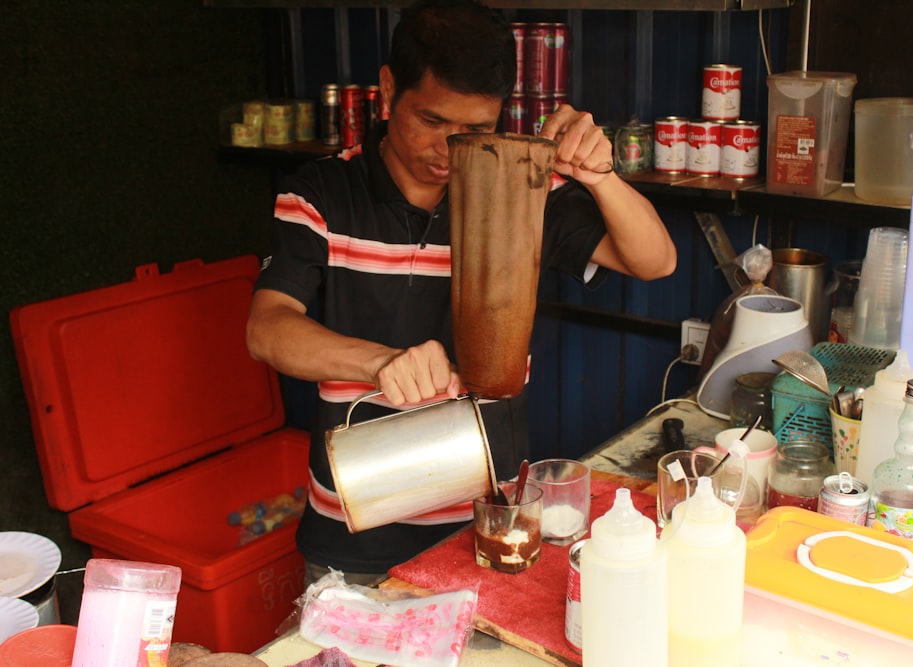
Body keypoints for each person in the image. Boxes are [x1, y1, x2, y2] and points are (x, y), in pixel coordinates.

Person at [246, 0, 677, 584]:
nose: (447, 149)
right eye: (431, 121)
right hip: (354, 527)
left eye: (475, 129)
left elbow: (655, 261)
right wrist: (383, 363)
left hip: (488, 522)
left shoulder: (522, 186)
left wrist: (600, 178)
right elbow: (267, 327)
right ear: (388, 89)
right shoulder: (323, 192)